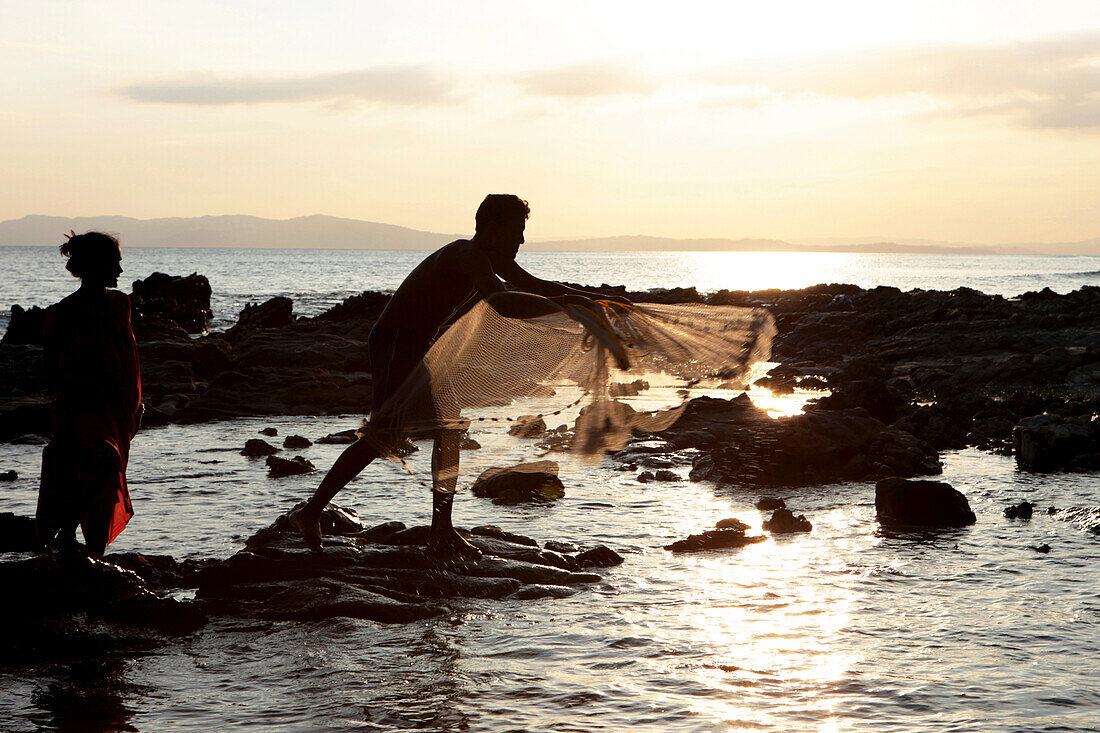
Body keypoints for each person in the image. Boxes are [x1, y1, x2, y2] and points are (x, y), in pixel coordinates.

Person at [289, 194, 623, 559]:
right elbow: (501, 300)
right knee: (384, 433)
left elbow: (536, 285)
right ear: (492, 227)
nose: (522, 242)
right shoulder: (465, 254)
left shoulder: (490, 257)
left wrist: (594, 299)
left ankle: (440, 530)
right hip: (396, 342)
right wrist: (571, 310)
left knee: (448, 431)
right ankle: (311, 512)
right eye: (517, 232)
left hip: (419, 344)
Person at [37, 231, 143, 558]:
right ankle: (66, 529)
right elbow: (52, 367)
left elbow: (129, 357)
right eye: (115, 263)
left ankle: (95, 555)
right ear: (96, 264)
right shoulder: (61, 313)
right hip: (79, 407)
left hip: (116, 407)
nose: (120, 272)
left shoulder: (119, 303)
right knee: (103, 464)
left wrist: (137, 403)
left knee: (106, 478)